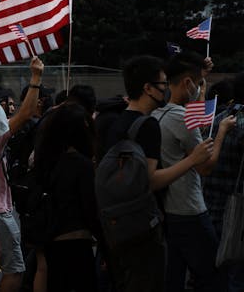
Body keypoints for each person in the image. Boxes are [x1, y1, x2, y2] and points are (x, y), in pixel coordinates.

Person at [103, 55, 213, 292]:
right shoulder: (147, 126)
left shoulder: (115, 121)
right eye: (163, 85)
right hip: (143, 223)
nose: (166, 90)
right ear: (148, 88)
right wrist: (192, 160)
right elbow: (150, 181)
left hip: (116, 221)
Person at [151, 52, 235, 292]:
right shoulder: (183, 119)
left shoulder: (159, 114)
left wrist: (198, 89)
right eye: (198, 84)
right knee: (215, 276)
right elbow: (205, 167)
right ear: (187, 83)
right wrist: (222, 131)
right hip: (191, 210)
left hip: (169, 209)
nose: (200, 89)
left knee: (174, 277)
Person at [0, 56, 45, 292]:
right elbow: (26, 115)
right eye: (3, 107)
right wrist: (35, 78)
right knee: (15, 271)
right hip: (0, 213)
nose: (9, 112)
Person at [33, 103, 101, 292]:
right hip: (78, 243)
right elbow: (91, 210)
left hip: (52, 242)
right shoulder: (82, 165)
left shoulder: (46, 162)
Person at [204, 72, 244, 291]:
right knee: (237, 278)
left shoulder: (217, 119)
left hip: (212, 208)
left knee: (216, 273)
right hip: (237, 217)